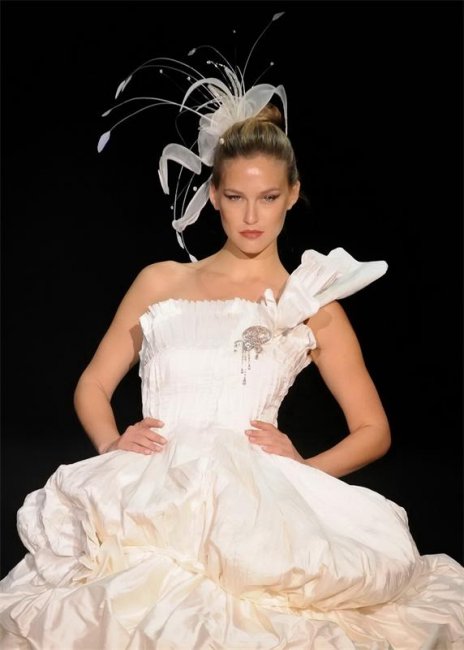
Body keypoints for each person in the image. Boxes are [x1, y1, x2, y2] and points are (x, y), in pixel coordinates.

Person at [1, 16, 463, 650]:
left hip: (255, 507)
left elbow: (373, 429)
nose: (252, 216)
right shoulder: (160, 281)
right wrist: (111, 444)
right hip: (147, 491)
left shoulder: (311, 303)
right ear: (213, 194)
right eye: (238, 196)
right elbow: (92, 384)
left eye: (268, 197)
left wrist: (304, 470)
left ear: (292, 196)